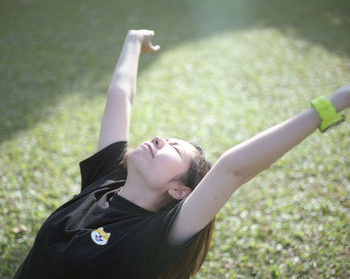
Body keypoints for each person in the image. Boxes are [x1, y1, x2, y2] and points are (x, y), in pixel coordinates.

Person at [14, 29, 349, 279]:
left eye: (173, 147)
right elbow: (120, 96)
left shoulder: (156, 234)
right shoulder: (108, 177)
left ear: (179, 190)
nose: (159, 138)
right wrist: (133, 41)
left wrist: (334, 102)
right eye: (166, 138)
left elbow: (233, 169)